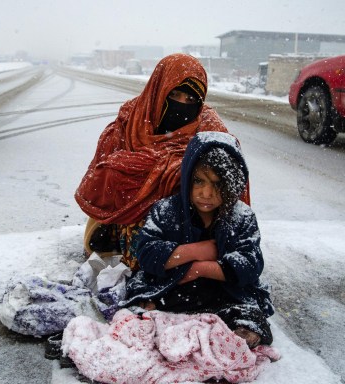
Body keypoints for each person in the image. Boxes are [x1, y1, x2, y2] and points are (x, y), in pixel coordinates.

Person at [75, 53, 246, 269]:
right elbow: (99, 181)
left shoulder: (209, 128)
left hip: (192, 224)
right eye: (175, 95)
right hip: (131, 225)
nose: (182, 106)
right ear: (159, 89)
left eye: (191, 100)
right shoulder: (129, 122)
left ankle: (185, 255)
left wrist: (175, 174)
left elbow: (231, 176)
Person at [121, 131, 274, 348]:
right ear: (187, 177)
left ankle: (234, 336)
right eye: (199, 181)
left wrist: (200, 268)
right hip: (174, 285)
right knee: (143, 308)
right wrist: (197, 250)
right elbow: (147, 254)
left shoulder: (242, 217)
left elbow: (250, 265)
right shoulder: (166, 211)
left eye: (218, 184)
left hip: (224, 292)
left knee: (251, 318)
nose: (206, 193)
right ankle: (165, 318)